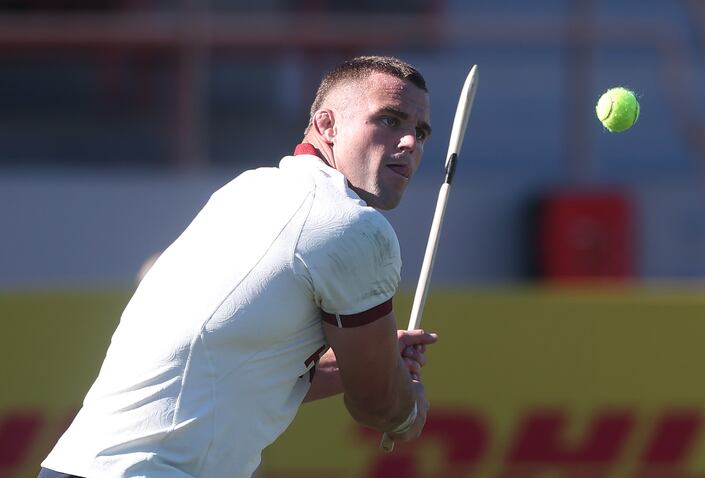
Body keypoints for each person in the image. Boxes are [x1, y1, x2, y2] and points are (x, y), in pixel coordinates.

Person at [40, 55, 438, 478]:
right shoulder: (351, 224)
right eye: (390, 121)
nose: (411, 142)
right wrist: (406, 410)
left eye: (420, 131)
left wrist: (368, 360)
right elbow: (377, 402)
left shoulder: (246, 190)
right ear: (327, 126)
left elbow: (238, 369)